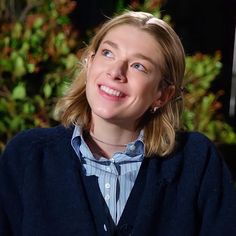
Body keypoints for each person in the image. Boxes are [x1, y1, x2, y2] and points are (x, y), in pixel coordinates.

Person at [0, 11, 236, 236]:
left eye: (138, 66)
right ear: (90, 63)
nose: (116, 72)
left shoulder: (195, 161)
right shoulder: (28, 155)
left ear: (162, 94)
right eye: (108, 53)